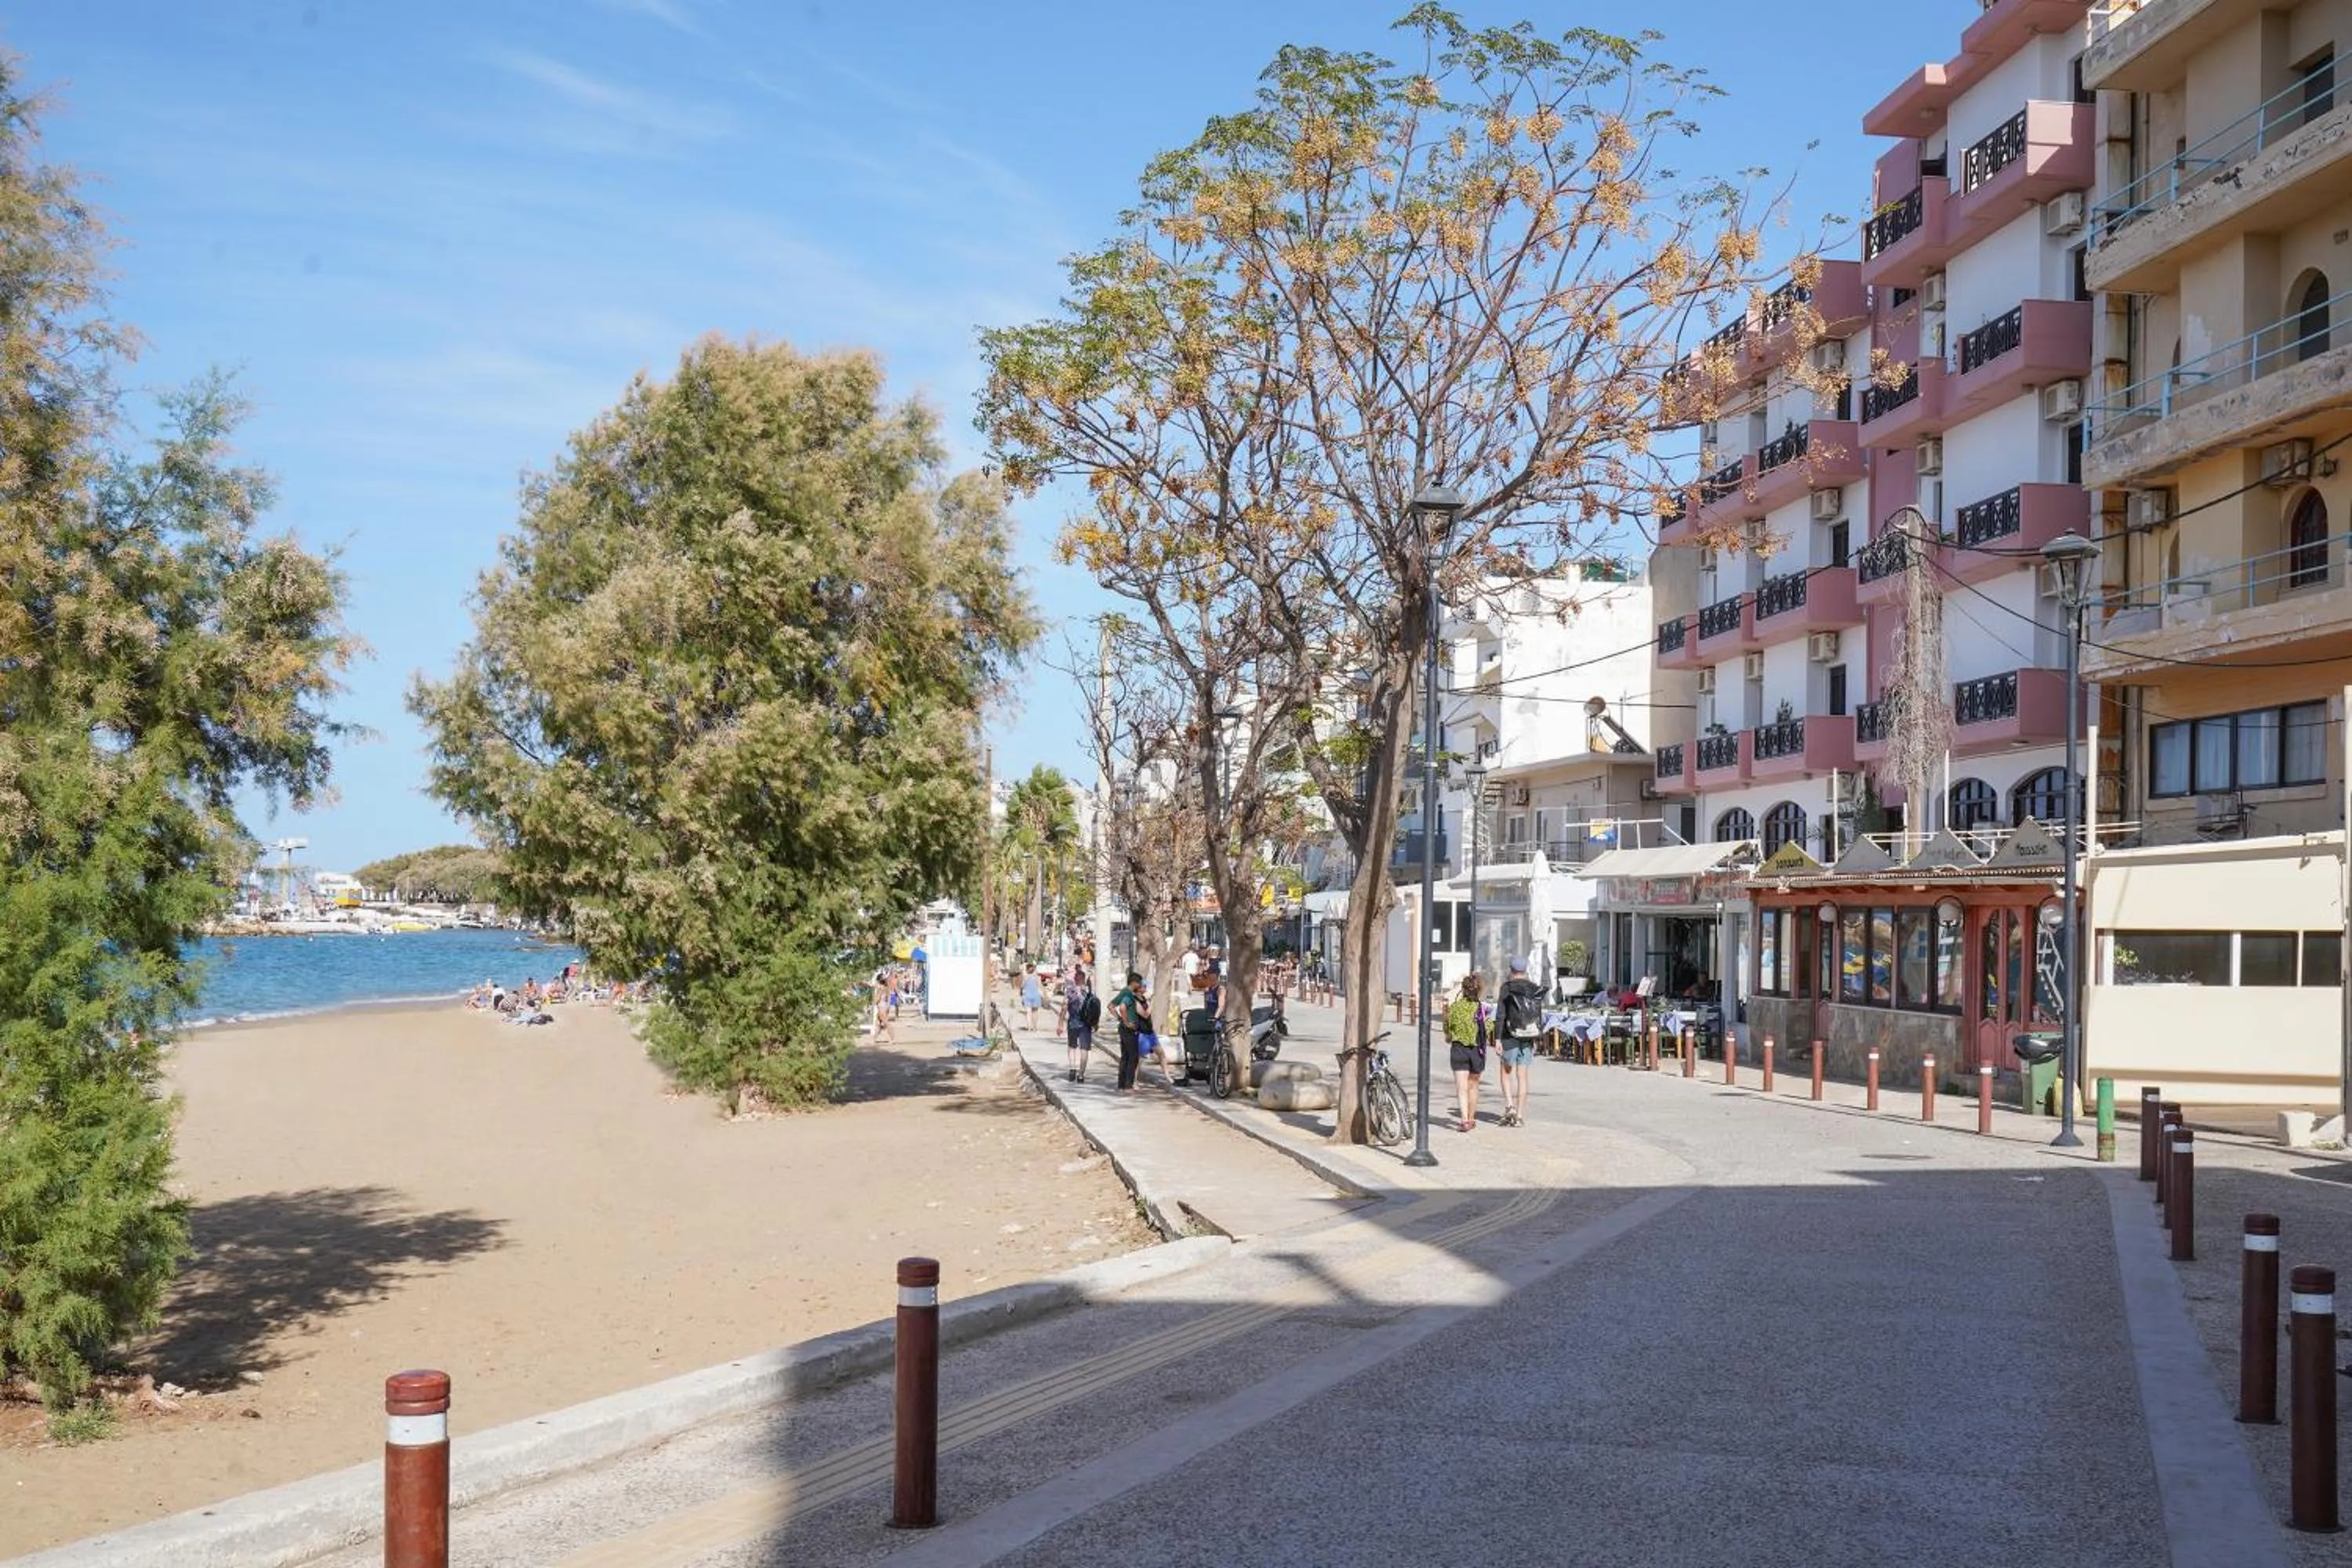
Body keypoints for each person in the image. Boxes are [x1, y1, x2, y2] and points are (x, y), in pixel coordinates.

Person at [1496, 956, 1548, 1129]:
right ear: (1525, 970)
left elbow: (1501, 1014)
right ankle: (1519, 1116)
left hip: (1510, 1035)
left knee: (1506, 1072)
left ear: (1511, 970)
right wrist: (1537, 1036)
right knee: (1523, 1076)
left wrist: (1497, 1038)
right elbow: (1537, 1014)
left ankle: (1510, 1106)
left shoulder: (1507, 988)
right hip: (1528, 1035)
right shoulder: (1533, 989)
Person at [1446, 972, 1488, 1132]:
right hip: (1477, 1050)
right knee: (1474, 1085)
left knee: (1461, 1086)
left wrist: (1449, 1036)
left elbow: (1448, 1028)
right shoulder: (1482, 1009)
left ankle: (1464, 1120)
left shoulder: (1455, 1008)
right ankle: (1471, 1118)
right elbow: (1488, 1027)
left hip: (1459, 1049)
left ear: (1463, 990)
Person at [1109, 971, 1150, 1094]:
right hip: (1129, 1029)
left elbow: (1111, 1006)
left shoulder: (1125, 992)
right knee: (1133, 1057)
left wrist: (1120, 1019)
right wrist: (1125, 1022)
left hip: (1125, 1028)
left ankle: (1122, 1085)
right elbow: (1122, 1007)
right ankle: (1128, 1086)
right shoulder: (1127, 994)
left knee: (1125, 1057)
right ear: (1134, 983)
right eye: (1139, 983)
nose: (1141, 985)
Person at [1065, 974, 1101, 1082]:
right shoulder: (1089, 993)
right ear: (1084, 979)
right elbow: (1095, 1009)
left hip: (1073, 1023)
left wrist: (1060, 1023)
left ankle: (1072, 1068)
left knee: (1072, 1047)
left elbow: (1064, 1007)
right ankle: (1081, 1075)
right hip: (1086, 1025)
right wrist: (1095, 1023)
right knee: (1084, 1049)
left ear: (1075, 980)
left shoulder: (1070, 991)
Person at [1019, 964, 1044, 1030]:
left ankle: (1029, 1028)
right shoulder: (1037, 977)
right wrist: (1044, 995)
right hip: (1036, 996)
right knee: (1035, 1012)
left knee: (1028, 1013)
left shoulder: (1025, 977)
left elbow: (1022, 986)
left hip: (1027, 996)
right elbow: (1040, 986)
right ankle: (1035, 1027)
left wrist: (1021, 992)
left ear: (1027, 970)